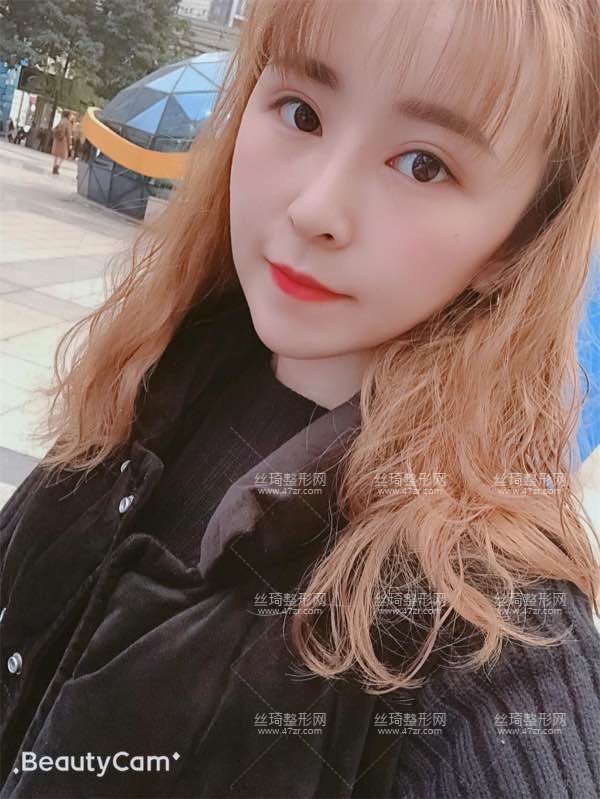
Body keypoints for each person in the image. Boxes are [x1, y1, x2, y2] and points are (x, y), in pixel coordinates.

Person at [1, 1, 600, 797]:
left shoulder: (483, 624)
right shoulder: (152, 376)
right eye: (302, 112)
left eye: (423, 165)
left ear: (519, 239)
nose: (315, 207)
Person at [50, 110, 72, 174]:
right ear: (68, 115)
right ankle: (57, 166)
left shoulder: (61, 121)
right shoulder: (68, 123)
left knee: (56, 155)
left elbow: (54, 128)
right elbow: (68, 134)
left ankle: (54, 167)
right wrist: (70, 143)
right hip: (63, 140)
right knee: (64, 155)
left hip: (57, 139)